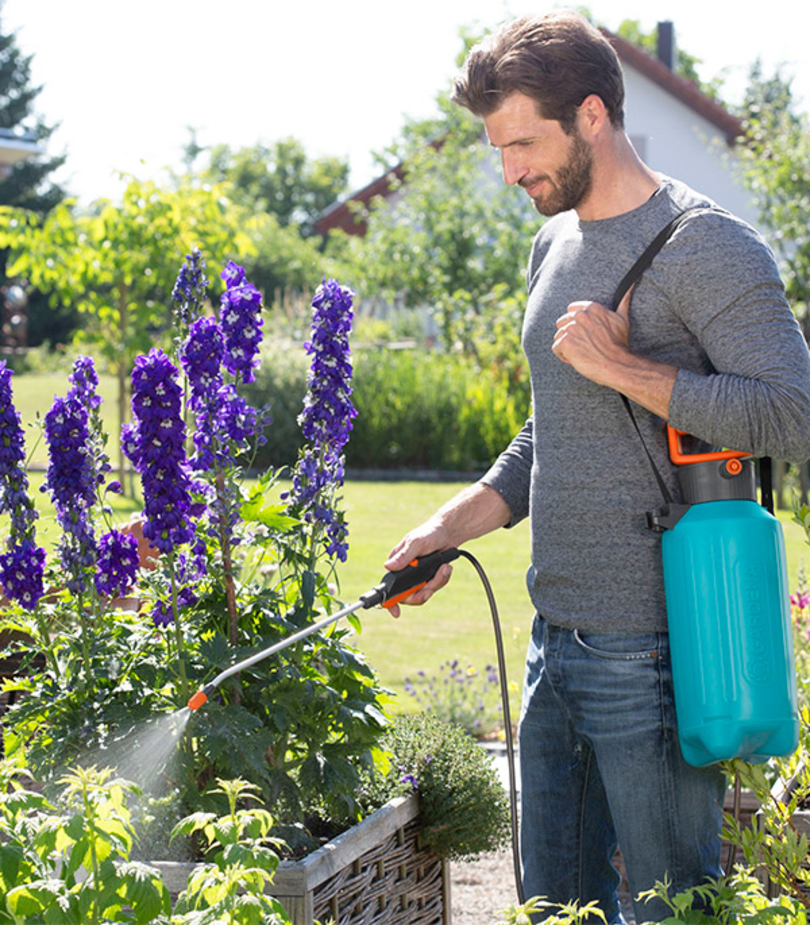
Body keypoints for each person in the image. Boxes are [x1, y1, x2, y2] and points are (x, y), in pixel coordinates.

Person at [383, 10, 810, 924]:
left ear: (590, 116)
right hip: (554, 641)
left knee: (669, 909)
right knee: (551, 909)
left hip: (655, 654)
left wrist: (629, 369)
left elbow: (792, 413)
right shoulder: (555, 243)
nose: (510, 171)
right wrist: (448, 527)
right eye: (498, 148)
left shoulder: (707, 244)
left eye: (523, 142)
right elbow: (551, 431)